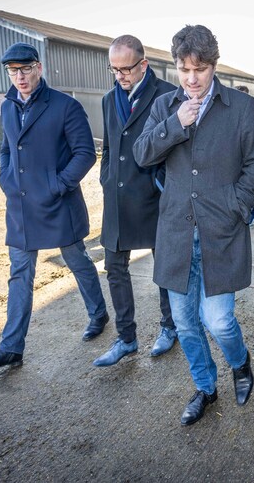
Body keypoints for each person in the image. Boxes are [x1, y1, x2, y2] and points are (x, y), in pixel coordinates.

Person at [133, 25, 254, 426]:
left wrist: (236, 205)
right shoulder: (164, 105)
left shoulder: (241, 108)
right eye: (184, 69)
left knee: (219, 319)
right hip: (175, 230)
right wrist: (175, 123)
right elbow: (142, 154)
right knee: (186, 322)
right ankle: (206, 388)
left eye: (201, 69)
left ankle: (240, 365)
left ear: (214, 65)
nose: (192, 79)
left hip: (221, 229)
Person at [0, 42, 108, 368]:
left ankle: (98, 313)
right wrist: (5, 180)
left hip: (58, 204)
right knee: (19, 274)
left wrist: (57, 186)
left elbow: (85, 153)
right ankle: (12, 347)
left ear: (39, 68)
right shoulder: (7, 107)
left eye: (25, 69)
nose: (19, 77)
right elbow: (7, 149)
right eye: (13, 71)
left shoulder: (64, 106)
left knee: (76, 260)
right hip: (21, 208)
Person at [92, 35, 178, 367]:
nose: (119, 76)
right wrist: (106, 179)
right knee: (114, 266)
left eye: (125, 69)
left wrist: (164, 186)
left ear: (143, 64)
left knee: (164, 266)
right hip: (118, 198)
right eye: (114, 70)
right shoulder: (107, 99)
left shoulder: (168, 95)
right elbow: (110, 149)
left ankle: (169, 328)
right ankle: (126, 338)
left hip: (154, 197)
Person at [235, 84, 254, 226]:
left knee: (247, 184)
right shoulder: (228, 114)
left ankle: (248, 211)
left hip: (248, 157)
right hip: (234, 160)